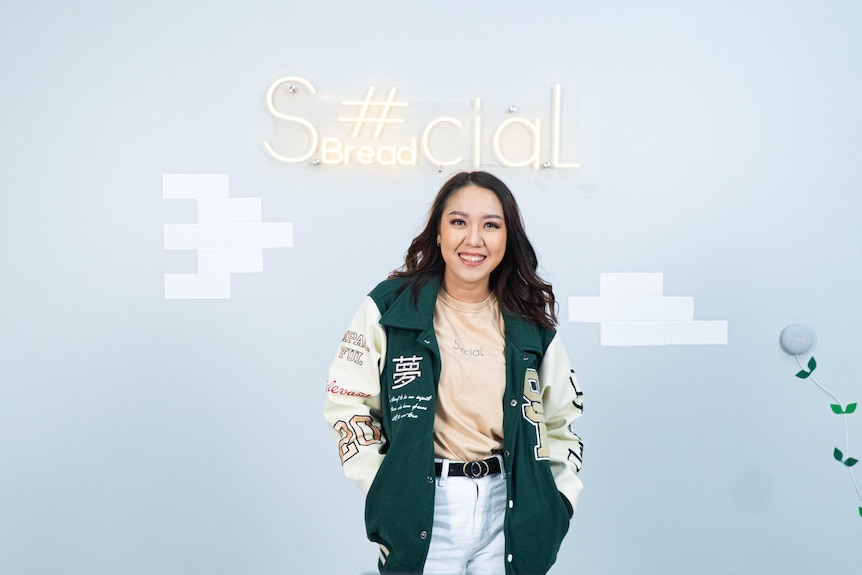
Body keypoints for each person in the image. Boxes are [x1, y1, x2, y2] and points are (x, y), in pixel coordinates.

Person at [324, 171, 583, 575]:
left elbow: (562, 421)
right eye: (458, 222)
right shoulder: (390, 307)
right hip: (426, 507)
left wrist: (558, 499)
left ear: (506, 239)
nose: (474, 239)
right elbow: (346, 403)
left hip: (509, 507)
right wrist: (388, 486)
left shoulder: (530, 324)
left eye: (491, 226)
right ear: (439, 233)